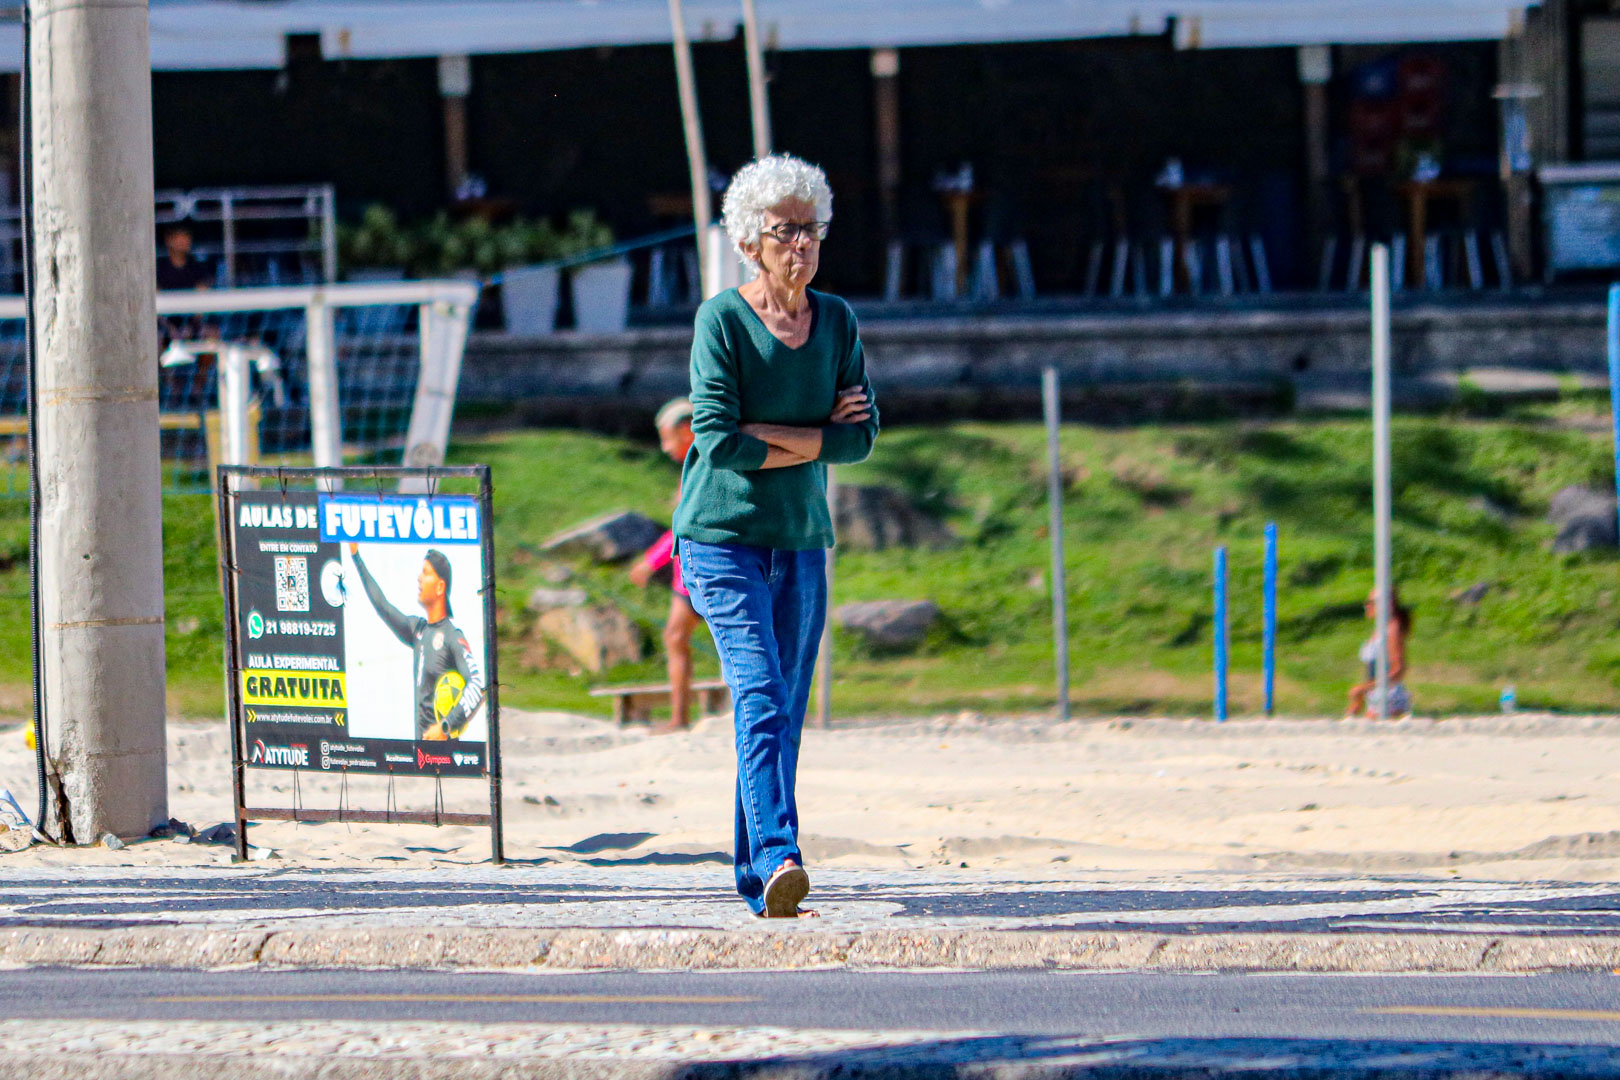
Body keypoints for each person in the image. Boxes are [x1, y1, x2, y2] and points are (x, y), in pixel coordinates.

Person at [673, 154, 879, 919]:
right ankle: (780, 853)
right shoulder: (720, 321)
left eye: (812, 229)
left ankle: (756, 877)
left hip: (799, 538)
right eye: (785, 231)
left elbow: (862, 441)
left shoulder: (838, 323)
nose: (802, 245)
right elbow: (717, 441)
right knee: (758, 694)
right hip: (721, 538)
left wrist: (797, 437)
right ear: (750, 242)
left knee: (783, 706)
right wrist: (817, 435)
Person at [348, 543, 485, 740]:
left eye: (426, 573)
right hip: (421, 753)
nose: (419, 578)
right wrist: (356, 557)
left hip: (446, 756)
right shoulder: (418, 630)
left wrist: (446, 726)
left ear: (440, 587)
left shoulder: (453, 637)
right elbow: (383, 607)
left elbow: (477, 687)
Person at [629, 397, 705, 734]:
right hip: (686, 575)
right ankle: (680, 718)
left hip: (706, 572)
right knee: (675, 637)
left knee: (724, 644)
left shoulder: (704, 464)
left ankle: (682, 718)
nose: (663, 448)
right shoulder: (692, 465)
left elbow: (684, 525)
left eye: (667, 437)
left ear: (687, 431)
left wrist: (650, 561)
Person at [1347, 586, 1412, 719]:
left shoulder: (1392, 628)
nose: (1367, 606)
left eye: (1371, 602)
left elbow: (1398, 670)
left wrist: (1364, 688)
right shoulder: (1380, 629)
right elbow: (1372, 671)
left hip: (1389, 696)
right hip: (1375, 695)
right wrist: (1361, 697)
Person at [156, 225, 213, 292]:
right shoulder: (157, 269)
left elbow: (206, 285)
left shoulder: (198, 268)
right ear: (168, 240)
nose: (184, 241)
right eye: (179, 236)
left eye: (186, 236)